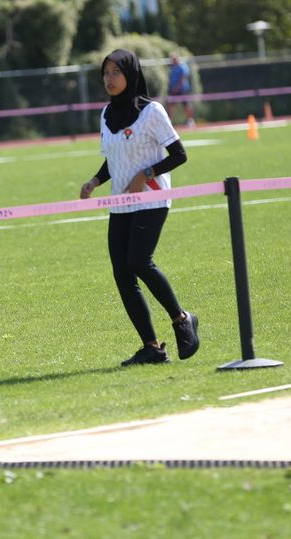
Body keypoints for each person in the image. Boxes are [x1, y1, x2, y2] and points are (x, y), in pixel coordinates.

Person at [79, 49, 200, 366]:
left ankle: (182, 319)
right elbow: (114, 157)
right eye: (106, 73)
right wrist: (94, 181)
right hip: (121, 202)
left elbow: (179, 155)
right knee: (122, 272)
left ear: (131, 74)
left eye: (116, 72)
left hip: (151, 197)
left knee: (139, 261)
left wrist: (146, 174)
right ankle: (151, 347)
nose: (110, 79)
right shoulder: (106, 114)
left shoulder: (153, 112)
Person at [167, 53, 196, 127]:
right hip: (174, 90)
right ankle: (169, 121)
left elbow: (183, 78)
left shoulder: (182, 66)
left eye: (174, 59)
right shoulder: (172, 68)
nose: (173, 61)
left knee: (186, 105)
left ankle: (190, 120)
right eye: (172, 59)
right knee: (170, 105)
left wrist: (177, 87)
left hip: (183, 90)